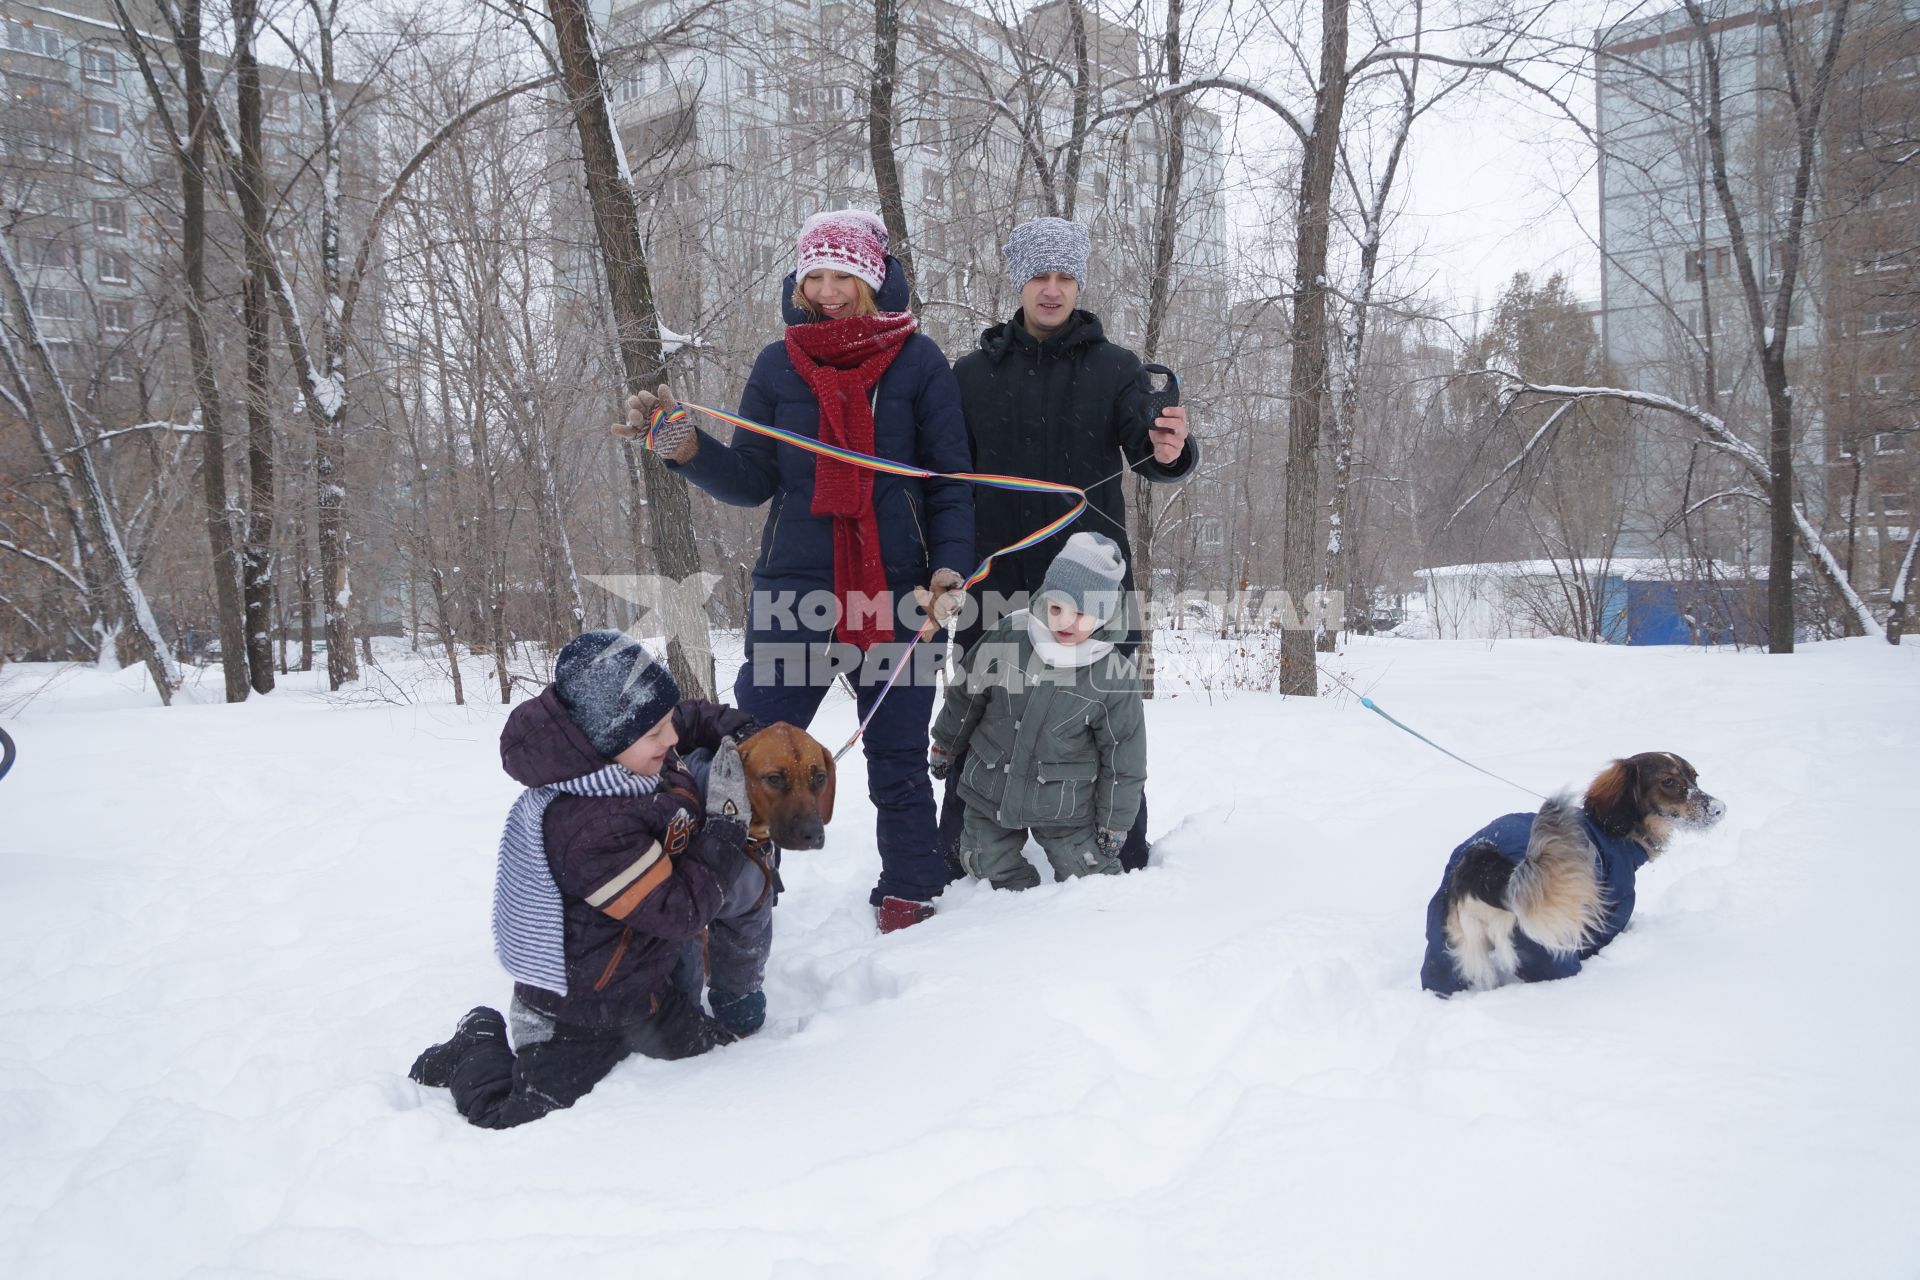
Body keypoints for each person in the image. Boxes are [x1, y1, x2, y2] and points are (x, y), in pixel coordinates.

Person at [621, 210, 973, 933]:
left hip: (896, 593)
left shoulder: (919, 362)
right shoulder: (779, 364)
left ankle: (910, 888)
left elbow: (950, 482)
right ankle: (729, 897)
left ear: (872, 278)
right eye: (814, 275)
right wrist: (688, 449)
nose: (828, 290)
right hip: (795, 591)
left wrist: (948, 572)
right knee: (742, 757)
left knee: (897, 756)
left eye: (843, 275)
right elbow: (751, 478)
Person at [408, 630, 758, 1129]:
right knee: (510, 1114)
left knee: (722, 1057)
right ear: (607, 743)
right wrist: (725, 829)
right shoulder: (594, 828)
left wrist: (742, 730)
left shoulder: (630, 753)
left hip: (645, 995)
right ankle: (477, 1037)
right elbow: (679, 910)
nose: (673, 739)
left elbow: (687, 717)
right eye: (656, 733)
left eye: (666, 724)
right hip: (576, 1015)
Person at [941, 216, 1197, 873]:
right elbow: (941, 479)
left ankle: (1121, 839)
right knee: (980, 700)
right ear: (1020, 280)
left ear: (1078, 282)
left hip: (1091, 579)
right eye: (1040, 275)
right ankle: (961, 841)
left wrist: (1171, 449)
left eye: (1064, 276)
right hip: (995, 578)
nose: (1052, 289)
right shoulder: (970, 375)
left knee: (1105, 709)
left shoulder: (1116, 369)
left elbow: (1152, 455)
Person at [929, 532, 1145, 890]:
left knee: (1092, 879)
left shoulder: (1113, 674)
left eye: (1081, 614)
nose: (1065, 623)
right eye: (1057, 608)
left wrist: (1114, 822)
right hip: (991, 787)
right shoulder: (1010, 635)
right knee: (982, 861)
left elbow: (1125, 754)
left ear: (1104, 614)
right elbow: (967, 697)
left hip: (1064, 802)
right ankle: (1015, 911)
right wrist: (945, 744)